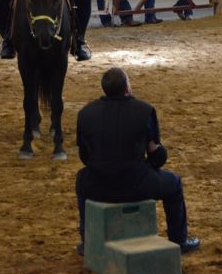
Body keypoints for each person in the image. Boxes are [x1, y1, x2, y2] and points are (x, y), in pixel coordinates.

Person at [75, 67, 201, 256]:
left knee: (81, 179)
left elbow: (85, 157)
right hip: (136, 186)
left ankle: (88, 241)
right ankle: (179, 240)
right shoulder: (144, 111)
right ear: (127, 88)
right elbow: (156, 157)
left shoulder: (85, 114)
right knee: (174, 184)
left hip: (97, 186)